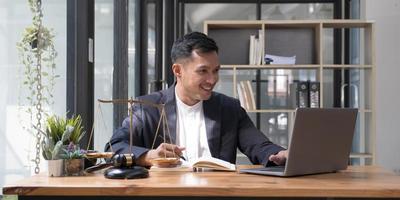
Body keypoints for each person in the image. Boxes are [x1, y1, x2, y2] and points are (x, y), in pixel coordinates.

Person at [105, 32, 287, 167]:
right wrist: (149, 156)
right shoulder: (147, 108)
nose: (212, 80)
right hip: (164, 192)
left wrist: (280, 154)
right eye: (203, 71)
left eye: (215, 70)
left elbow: (259, 146)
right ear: (178, 71)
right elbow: (113, 147)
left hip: (218, 192)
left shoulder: (229, 108)